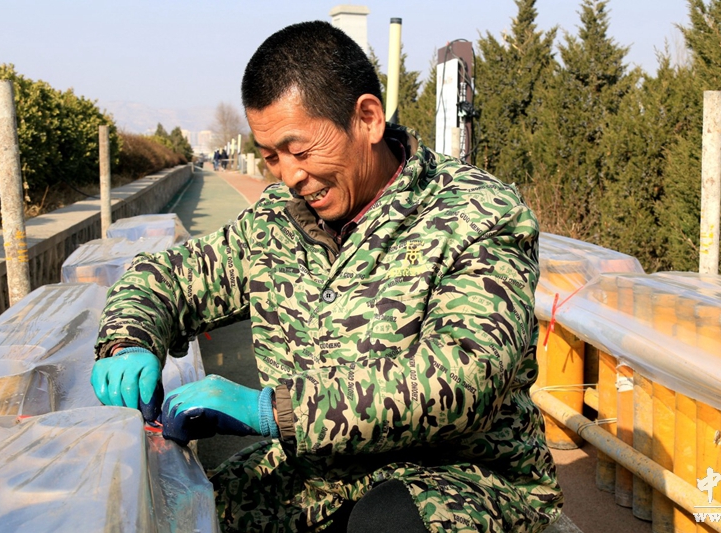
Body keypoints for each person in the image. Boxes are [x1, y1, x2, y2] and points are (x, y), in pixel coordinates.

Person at [90, 20, 561, 533]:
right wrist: (129, 340)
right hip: (318, 478)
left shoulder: (476, 214)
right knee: (175, 513)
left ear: (367, 118)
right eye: (271, 157)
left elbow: (465, 377)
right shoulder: (276, 222)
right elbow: (167, 277)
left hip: (456, 480)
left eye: (300, 150)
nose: (290, 175)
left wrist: (274, 411)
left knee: (387, 524)